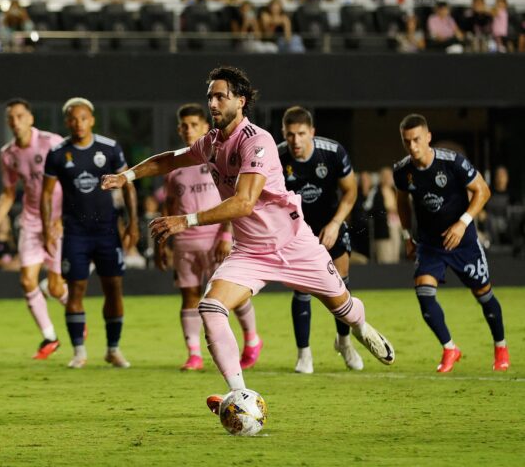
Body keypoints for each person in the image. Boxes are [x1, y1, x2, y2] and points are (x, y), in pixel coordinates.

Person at [101, 66, 394, 412]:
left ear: (240, 101)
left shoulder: (257, 140)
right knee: (210, 308)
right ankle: (241, 396)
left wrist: (185, 221)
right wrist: (127, 176)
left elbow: (244, 202)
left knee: (344, 309)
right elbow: (172, 159)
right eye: (210, 96)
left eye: (220, 96)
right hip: (251, 252)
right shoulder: (211, 142)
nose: (213, 103)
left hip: (294, 243)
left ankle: (360, 327)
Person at [394, 114, 508, 372]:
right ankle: (449, 348)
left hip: (463, 243)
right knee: (424, 295)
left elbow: (483, 190)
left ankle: (501, 346)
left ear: (428, 137)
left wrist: (462, 223)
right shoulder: (402, 171)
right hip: (430, 245)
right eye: (407, 141)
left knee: (484, 295)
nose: (412, 146)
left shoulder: (452, 162)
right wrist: (407, 236)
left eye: (417, 139)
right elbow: (402, 203)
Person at [161, 104, 262, 372]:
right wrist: (163, 243)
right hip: (185, 241)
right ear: (178, 129)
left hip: (216, 239)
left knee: (233, 295)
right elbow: (170, 206)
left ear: (206, 127)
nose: (188, 130)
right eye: (184, 126)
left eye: (194, 125)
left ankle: (252, 340)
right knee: (189, 295)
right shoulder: (175, 167)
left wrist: (226, 234)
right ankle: (194, 354)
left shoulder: (219, 157)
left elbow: (233, 200)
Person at [42, 97, 139, 369]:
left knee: (114, 288)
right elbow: (46, 194)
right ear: (67, 122)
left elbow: (128, 185)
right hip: (75, 233)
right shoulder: (58, 153)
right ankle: (79, 352)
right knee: (76, 289)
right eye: (73, 119)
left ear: (92, 120)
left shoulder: (109, 148)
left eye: (83, 118)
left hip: (107, 230)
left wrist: (133, 223)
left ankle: (113, 349)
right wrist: (48, 227)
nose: (79, 123)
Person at [0, 98, 69, 360]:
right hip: (31, 220)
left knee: (56, 288)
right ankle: (50, 338)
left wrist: (65, 217)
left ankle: (76, 315)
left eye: (19, 116)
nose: (15, 122)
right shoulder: (8, 154)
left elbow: (71, 178)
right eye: (11, 118)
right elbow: (8, 193)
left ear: (30, 118)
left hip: (56, 219)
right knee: (27, 280)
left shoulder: (51, 142)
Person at [278, 106, 362, 373]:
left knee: (340, 282)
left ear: (312, 132)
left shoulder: (333, 152)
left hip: (330, 223)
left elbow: (351, 191)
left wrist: (335, 224)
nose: (296, 140)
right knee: (302, 288)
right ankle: (304, 354)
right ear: (284, 133)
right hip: (296, 230)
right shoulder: (276, 157)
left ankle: (344, 343)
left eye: (301, 133)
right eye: (290, 134)